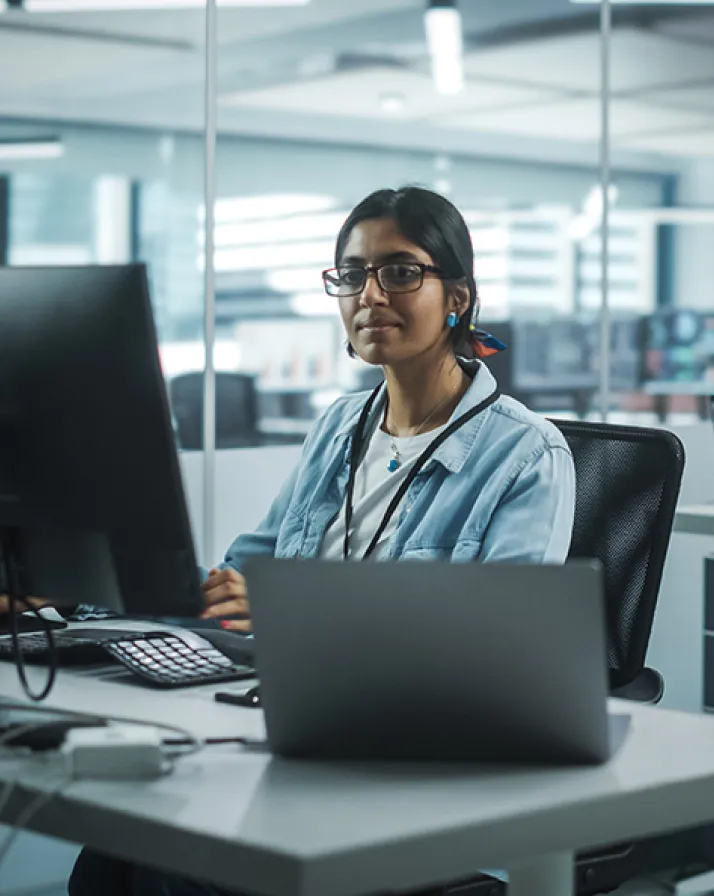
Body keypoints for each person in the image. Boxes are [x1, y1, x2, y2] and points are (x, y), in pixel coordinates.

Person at [69, 185, 575, 895]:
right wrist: (79, 596)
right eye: (352, 273)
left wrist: (295, 619)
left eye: (400, 271)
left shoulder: (527, 456)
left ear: (457, 296)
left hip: (419, 778)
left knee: (179, 871)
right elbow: (245, 574)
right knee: (111, 855)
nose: (370, 294)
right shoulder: (341, 426)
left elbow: (498, 663)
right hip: (298, 732)